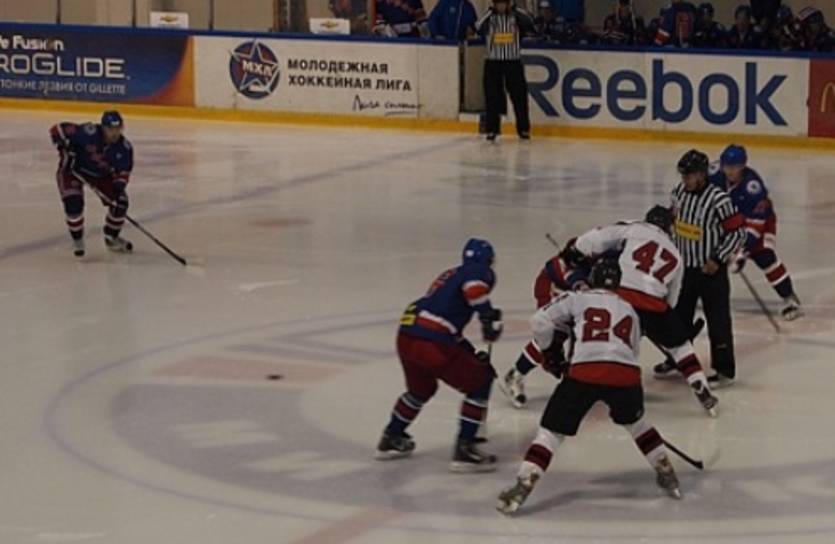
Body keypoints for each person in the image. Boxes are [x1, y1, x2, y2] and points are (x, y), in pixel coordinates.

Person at [496, 258, 682, 515]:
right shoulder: (630, 310)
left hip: (584, 373)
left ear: (593, 278)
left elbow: (540, 321)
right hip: (626, 376)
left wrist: (550, 352)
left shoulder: (577, 298)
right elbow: (631, 350)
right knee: (638, 425)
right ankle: (667, 473)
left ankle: (525, 481)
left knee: (551, 432)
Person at [573, 206, 719, 417]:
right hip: (654, 304)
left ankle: (590, 385)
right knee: (681, 346)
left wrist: (580, 252)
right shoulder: (676, 254)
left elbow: (590, 241)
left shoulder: (635, 228)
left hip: (620, 298)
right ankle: (700, 385)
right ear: (669, 228)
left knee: (610, 341)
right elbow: (672, 299)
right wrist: (658, 321)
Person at [375, 239, 504, 472]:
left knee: (420, 390)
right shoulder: (478, 270)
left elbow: (446, 320)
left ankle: (391, 437)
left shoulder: (449, 275)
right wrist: (487, 317)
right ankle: (464, 450)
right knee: (480, 383)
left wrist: (469, 353)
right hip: (432, 340)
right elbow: (474, 289)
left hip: (407, 334)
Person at [654, 150, 746, 388]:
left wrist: (718, 258)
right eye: (683, 175)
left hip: (710, 272)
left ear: (702, 175)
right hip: (684, 270)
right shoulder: (678, 192)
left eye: (689, 175)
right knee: (678, 318)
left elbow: (738, 232)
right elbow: (675, 222)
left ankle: (724, 369)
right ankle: (677, 359)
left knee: (718, 321)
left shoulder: (719, 199)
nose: (685, 179)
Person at [710, 145, 802, 320]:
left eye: (734, 167)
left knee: (765, 257)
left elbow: (755, 225)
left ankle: (790, 298)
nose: (729, 171)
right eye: (726, 166)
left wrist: (741, 250)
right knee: (711, 255)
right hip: (728, 221)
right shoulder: (714, 173)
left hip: (760, 223)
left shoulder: (753, 188)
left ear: (743, 166)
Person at [499, 242, 589, 408]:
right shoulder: (561, 268)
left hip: (570, 291)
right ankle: (515, 374)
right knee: (551, 336)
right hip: (552, 291)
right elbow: (567, 277)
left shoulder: (596, 252)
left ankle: (576, 380)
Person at [49, 111, 134, 258]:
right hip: (73, 171)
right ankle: (77, 240)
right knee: (73, 205)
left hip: (100, 175)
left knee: (120, 202)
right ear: (103, 127)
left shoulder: (124, 148)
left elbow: (123, 172)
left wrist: (118, 187)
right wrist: (62, 144)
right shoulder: (88, 132)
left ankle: (111, 237)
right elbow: (57, 129)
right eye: (110, 129)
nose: (114, 133)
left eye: (118, 129)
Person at [476, 0, 535, 141]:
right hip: (493, 61)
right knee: (492, 97)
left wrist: (515, 10)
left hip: (512, 61)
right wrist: (490, 12)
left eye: (503, 3)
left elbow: (530, 23)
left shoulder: (517, 16)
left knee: (519, 96)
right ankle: (492, 129)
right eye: (498, 3)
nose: (501, 6)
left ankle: (523, 129)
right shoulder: (489, 16)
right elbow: (478, 27)